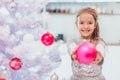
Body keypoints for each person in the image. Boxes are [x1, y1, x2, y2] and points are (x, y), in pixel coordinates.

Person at [67, 7, 108, 80]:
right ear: (77, 25)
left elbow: (100, 49)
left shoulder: (99, 42)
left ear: (95, 25)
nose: (85, 26)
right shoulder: (73, 42)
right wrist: (74, 54)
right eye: (82, 23)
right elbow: (71, 48)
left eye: (90, 23)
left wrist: (99, 55)